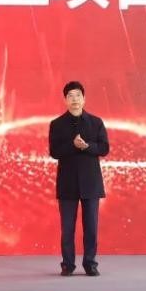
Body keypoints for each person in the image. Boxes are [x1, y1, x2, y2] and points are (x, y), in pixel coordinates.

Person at [49, 80, 109, 276]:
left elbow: (104, 148)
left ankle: (90, 263)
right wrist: (73, 145)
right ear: (65, 100)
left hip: (91, 183)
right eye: (70, 96)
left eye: (78, 95)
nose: (74, 99)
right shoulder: (57, 124)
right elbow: (54, 152)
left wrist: (87, 146)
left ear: (84, 99)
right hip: (67, 184)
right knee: (67, 229)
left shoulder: (96, 122)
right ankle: (68, 265)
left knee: (91, 228)